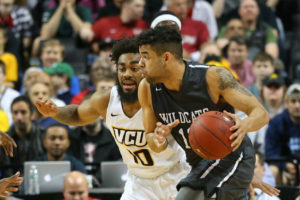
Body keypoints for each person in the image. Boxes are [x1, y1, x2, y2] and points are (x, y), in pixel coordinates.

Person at [35, 37, 190, 200]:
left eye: (134, 68)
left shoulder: (164, 97)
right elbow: (77, 114)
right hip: (139, 182)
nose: (127, 74)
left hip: (175, 175)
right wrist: (55, 112)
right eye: (122, 69)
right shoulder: (106, 100)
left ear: (145, 68)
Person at [137, 26, 279, 199]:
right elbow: (150, 138)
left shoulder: (212, 77)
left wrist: (244, 125)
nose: (140, 63)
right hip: (200, 165)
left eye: (146, 56)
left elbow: (261, 113)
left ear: (166, 58)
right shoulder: (146, 89)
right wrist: (158, 140)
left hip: (234, 156)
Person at [0, 96, 45, 177]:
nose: (19, 117)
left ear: (32, 114)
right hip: (12, 185)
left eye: (23, 112)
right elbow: (5, 169)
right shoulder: (5, 139)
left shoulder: (43, 135)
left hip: (40, 182)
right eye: (15, 112)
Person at [265, 83, 300, 185]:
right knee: (272, 170)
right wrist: (285, 165)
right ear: (286, 103)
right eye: (293, 101)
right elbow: (271, 154)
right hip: (283, 170)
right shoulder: (276, 123)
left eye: (299, 101)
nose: (297, 106)